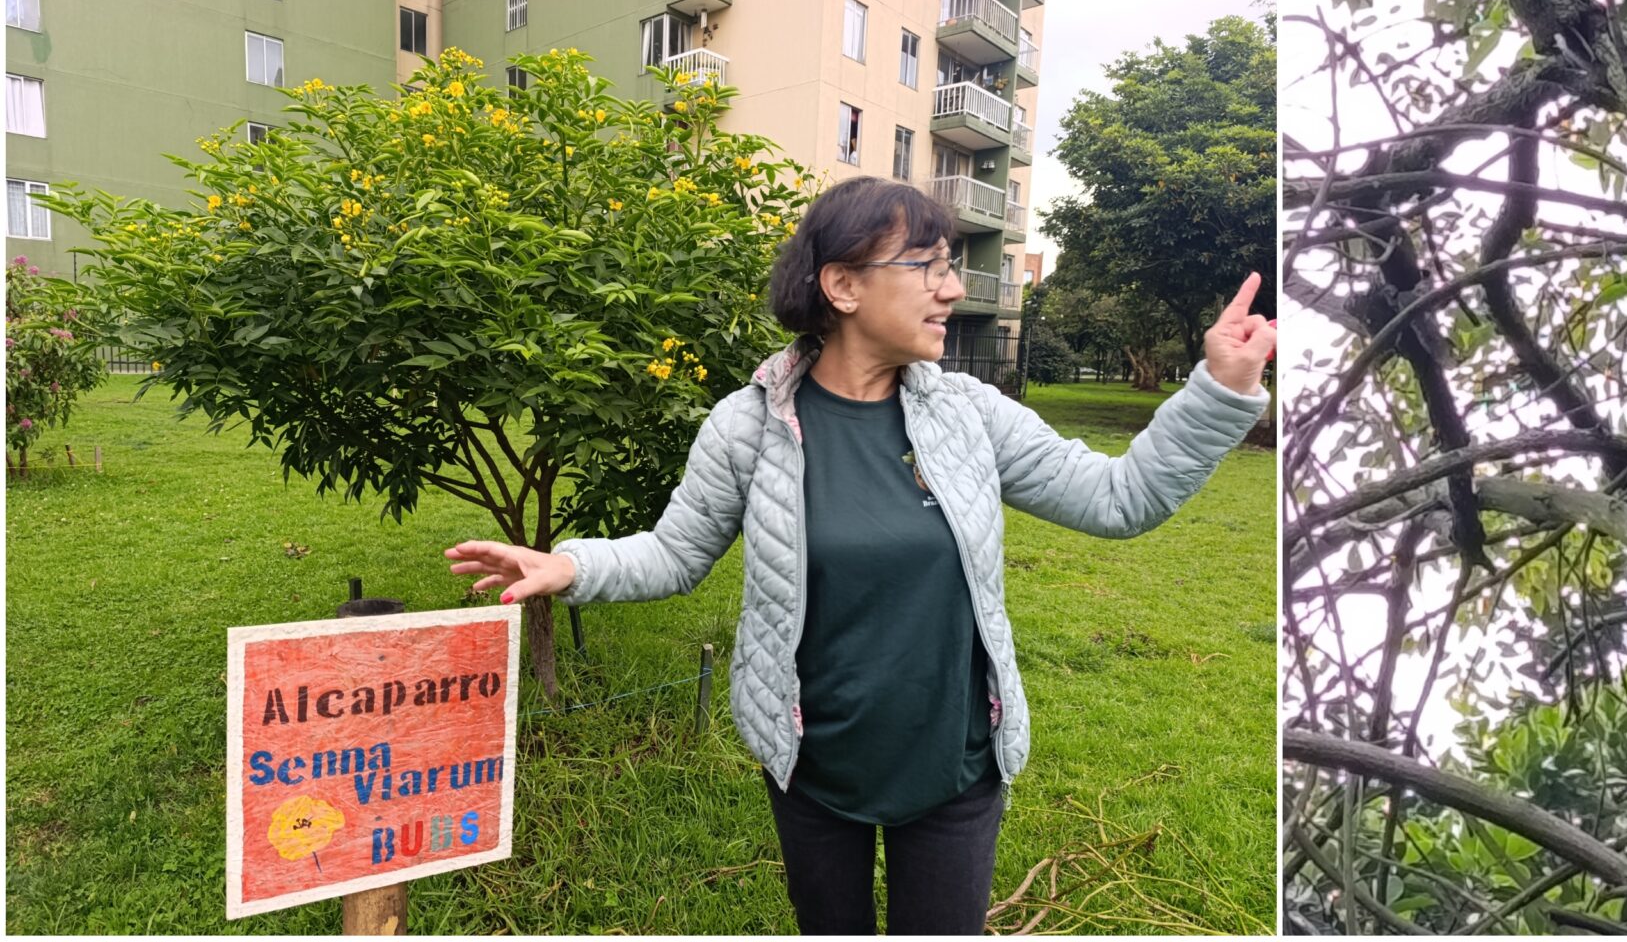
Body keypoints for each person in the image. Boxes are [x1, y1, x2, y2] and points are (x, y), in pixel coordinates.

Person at [444, 176, 1275, 935]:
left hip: (957, 764)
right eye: (927, 266)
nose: (951, 288)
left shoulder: (969, 415)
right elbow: (676, 552)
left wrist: (1219, 388)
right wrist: (571, 566)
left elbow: (1118, 499)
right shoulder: (747, 426)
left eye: (950, 266)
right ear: (841, 285)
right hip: (813, 765)